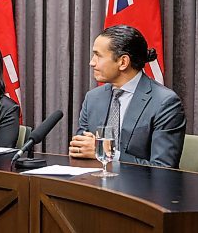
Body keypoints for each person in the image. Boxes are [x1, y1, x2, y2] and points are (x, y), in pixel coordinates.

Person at [69, 25, 186, 168]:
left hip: (140, 189)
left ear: (123, 62)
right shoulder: (93, 98)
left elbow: (163, 167)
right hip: (95, 184)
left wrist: (109, 154)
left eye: (98, 55)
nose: (92, 62)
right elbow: (81, 151)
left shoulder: (164, 103)